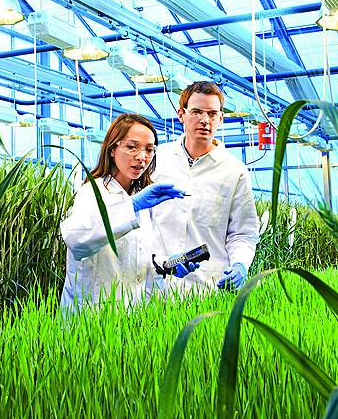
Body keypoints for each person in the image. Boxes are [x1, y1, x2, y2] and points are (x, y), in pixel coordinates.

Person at [60, 114, 198, 309]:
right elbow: (77, 240)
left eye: (149, 150)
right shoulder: (92, 192)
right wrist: (131, 207)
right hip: (94, 312)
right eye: (132, 147)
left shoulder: (141, 197)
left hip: (133, 312)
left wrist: (166, 265)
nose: (142, 157)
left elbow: (141, 257)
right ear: (112, 149)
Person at [151, 81, 260, 293]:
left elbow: (243, 232)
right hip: (157, 287)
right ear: (181, 114)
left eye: (212, 114)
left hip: (208, 288)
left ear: (221, 118)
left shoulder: (234, 171)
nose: (205, 120)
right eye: (197, 112)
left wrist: (240, 264)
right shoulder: (157, 159)